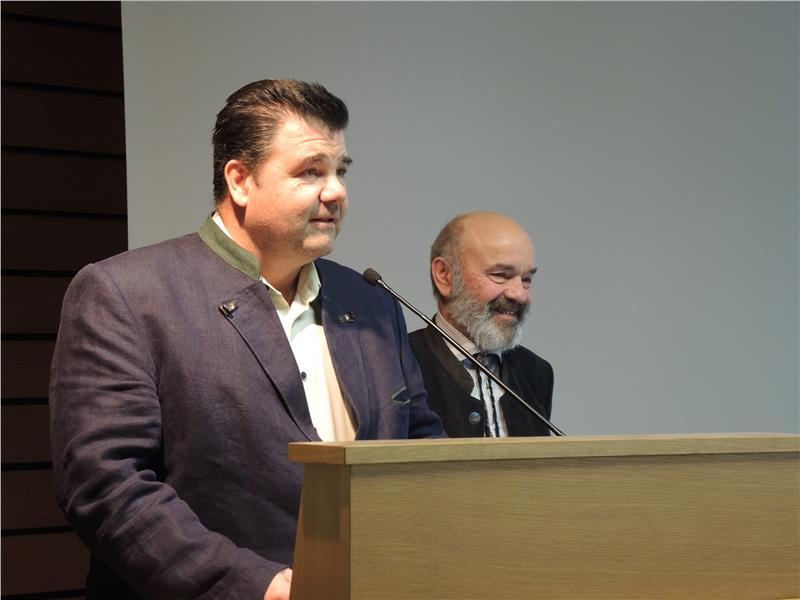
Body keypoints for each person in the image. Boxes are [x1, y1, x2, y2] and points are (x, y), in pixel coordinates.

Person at [49, 79, 443, 600]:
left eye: (340, 171)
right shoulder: (126, 294)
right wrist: (254, 584)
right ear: (239, 180)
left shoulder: (371, 302)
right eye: (311, 171)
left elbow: (423, 452)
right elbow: (105, 484)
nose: (336, 192)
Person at [409, 211, 554, 437]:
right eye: (501, 275)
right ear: (445, 275)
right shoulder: (399, 364)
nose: (520, 295)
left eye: (526, 279)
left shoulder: (535, 371)